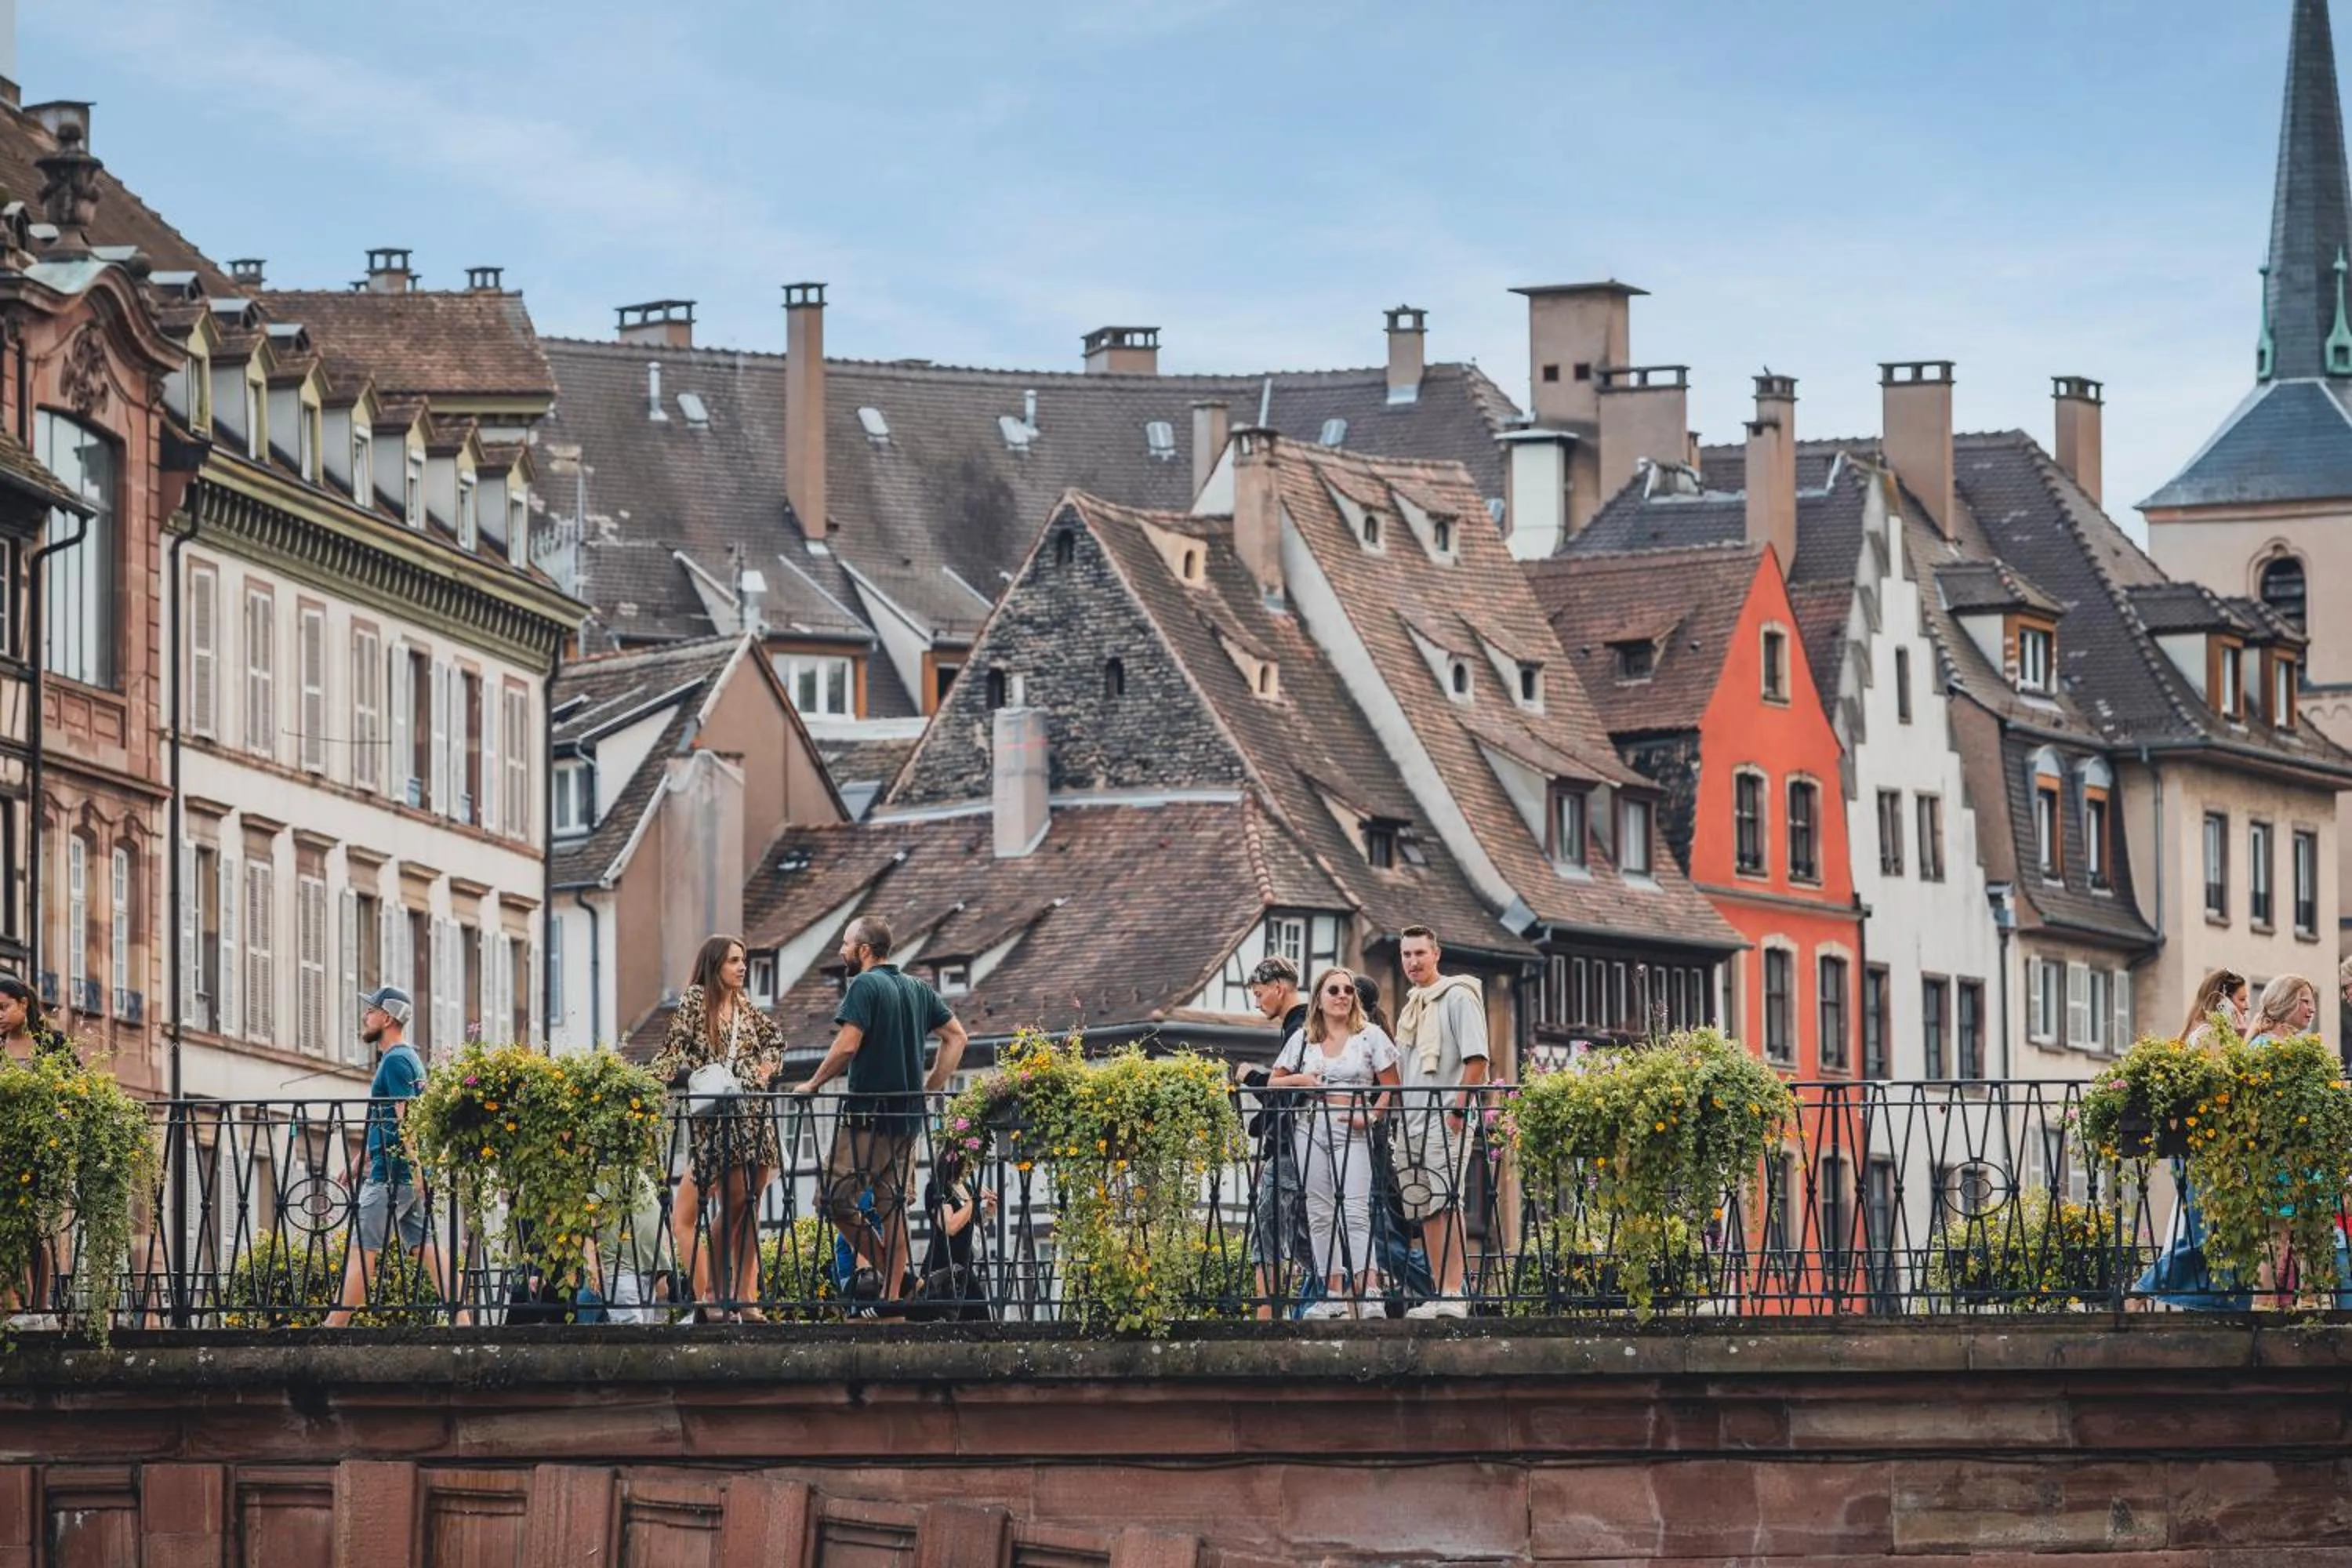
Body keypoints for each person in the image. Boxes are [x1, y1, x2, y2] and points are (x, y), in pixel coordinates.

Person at [795, 916, 968, 1307]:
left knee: (830, 1199)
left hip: (866, 1120)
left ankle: (898, 1279)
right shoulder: (918, 988)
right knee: (892, 1208)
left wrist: (813, 1084)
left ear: (864, 951)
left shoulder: (864, 985)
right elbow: (957, 1037)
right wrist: (929, 1089)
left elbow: (846, 1046)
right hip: (908, 1121)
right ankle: (895, 1296)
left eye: (845, 944)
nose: (841, 951)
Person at [652, 935, 788, 1323]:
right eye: (733, 961)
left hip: (753, 1114)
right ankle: (713, 1292)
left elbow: (775, 1039)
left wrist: (765, 1069)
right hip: (720, 1117)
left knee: (748, 1206)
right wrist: (647, 1089)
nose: (742, 967)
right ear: (715, 965)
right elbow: (673, 1046)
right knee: (733, 1205)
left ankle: (746, 1298)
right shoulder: (696, 1000)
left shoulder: (745, 1005)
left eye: (743, 960)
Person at [1268, 967, 1400, 1319]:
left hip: (1350, 1126)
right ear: (1320, 999)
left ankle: (1370, 1291)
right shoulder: (1304, 1038)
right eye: (1334, 990)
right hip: (1308, 1128)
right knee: (1319, 1213)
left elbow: (1391, 1086)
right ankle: (1332, 1295)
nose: (1342, 995)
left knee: (1356, 1210)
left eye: (1347, 990)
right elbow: (1273, 1081)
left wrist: (1371, 1117)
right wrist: (1301, 1079)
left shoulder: (1369, 1035)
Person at [324, 986, 458, 1327]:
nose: (364, 1016)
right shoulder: (408, 1058)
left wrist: (415, 1174)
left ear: (387, 1017)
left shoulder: (397, 1060)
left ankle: (330, 1329)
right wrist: (359, 1162)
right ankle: (465, 1321)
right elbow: (387, 1122)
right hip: (402, 1175)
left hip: (391, 1177)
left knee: (361, 1252)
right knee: (428, 1251)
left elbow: (406, 1119)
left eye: (370, 1010)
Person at [1394, 926, 1489, 1319]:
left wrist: (1458, 1110)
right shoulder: (1412, 1005)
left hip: (1444, 1116)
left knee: (1447, 1202)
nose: (1413, 962)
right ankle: (1438, 1291)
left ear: (1436, 954)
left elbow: (1478, 1060)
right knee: (1424, 1208)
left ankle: (1454, 1291)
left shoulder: (1458, 997)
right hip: (1412, 1119)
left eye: (1419, 953)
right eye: (1406, 955)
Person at [1232, 956, 1313, 1319]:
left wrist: (1250, 1076)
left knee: (1269, 1225)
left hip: (1292, 1143)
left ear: (1279, 988)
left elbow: (1289, 1091)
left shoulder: (1301, 1028)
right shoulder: (1304, 1024)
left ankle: (1267, 1315)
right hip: (1299, 1143)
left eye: (1259, 992)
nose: (1256, 1001)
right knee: (1300, 1235)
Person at [913, 1149, 996, 1322]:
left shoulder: (965, 1187)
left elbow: (969, 1223)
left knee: (979, 1322)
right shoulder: (937, 1188)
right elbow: (950, 1226)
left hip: (963, 1267)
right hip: (944, 1269)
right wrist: (974, 1200)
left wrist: (988, 1212)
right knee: (975, 1322)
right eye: (969, 1162)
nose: (972, 1167)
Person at [0, 974, 71, 1065]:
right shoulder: (2, 1043)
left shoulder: (52, 1042)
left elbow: (79, 1077)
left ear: (23, 1003)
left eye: (4, 1007)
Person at [2178, 968, 2249, 1047]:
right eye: (2242, 999)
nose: (2247, 1006)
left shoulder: (2194, 1031)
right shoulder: (2212, 1034)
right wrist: (2240, 1038)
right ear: (2223, 1000)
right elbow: (2225, 1059)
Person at [2247, 973, 2318, 1044]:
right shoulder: (2263, 1047)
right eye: (2306, 1001)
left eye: (2312, 1003)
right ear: (2286, 1002)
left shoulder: (2294, 1047)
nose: (2313, 1010)